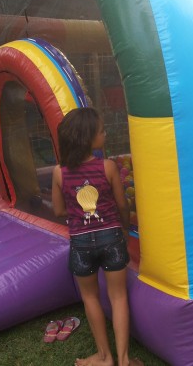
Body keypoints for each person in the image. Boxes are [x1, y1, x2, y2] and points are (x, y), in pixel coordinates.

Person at [51, 108, 142, 366]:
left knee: (90, 297)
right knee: (118, 296)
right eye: (101, 130)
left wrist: (78, 209)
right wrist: (124, 226)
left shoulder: (60, 172)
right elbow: (122, 205)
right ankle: (124, 359)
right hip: (111, 237)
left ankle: (104, 357)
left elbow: (59, 210)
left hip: (80, 243)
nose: (105, 133)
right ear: (87, 137)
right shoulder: (108, 167)